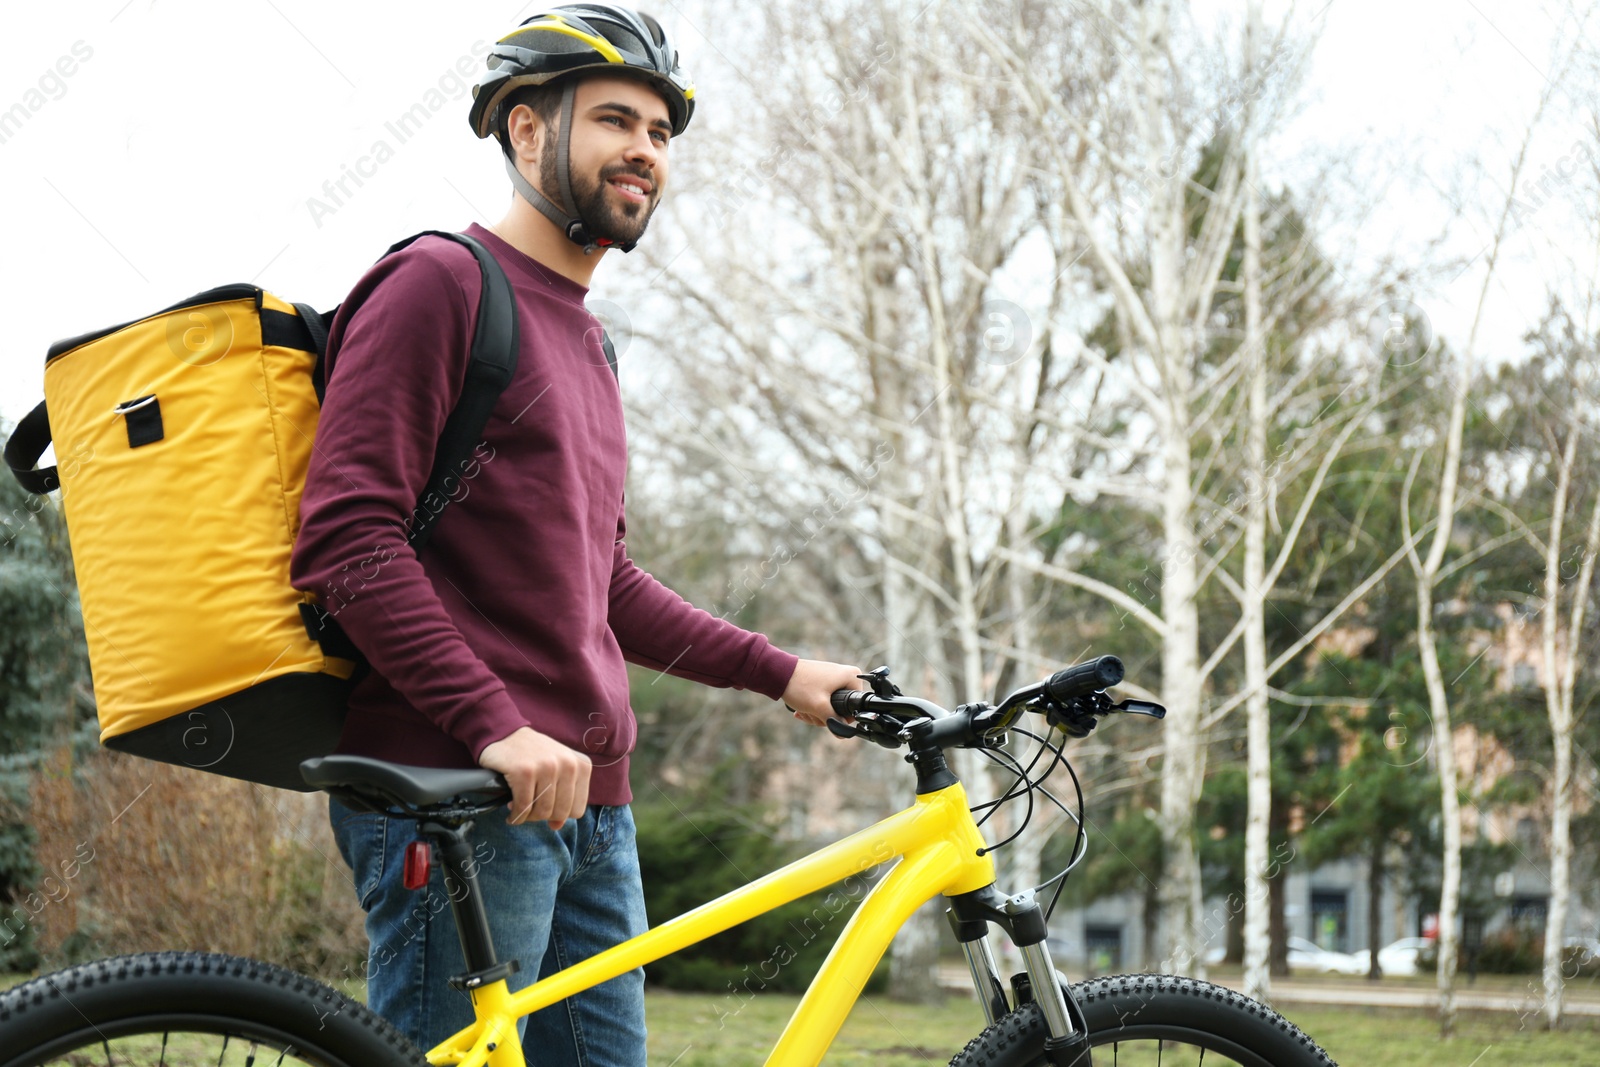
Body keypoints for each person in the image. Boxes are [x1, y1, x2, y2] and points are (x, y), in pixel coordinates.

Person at [289, 5, 863, 1061]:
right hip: (461, 791)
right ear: (523, 131)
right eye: (613, 120)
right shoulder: (440, 284)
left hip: (593, 809)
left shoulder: (588, 340)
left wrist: (780, 671)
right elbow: (348, 538)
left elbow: (604, 581)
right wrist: (493, 723)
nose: (645, 150)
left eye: (659, 131)